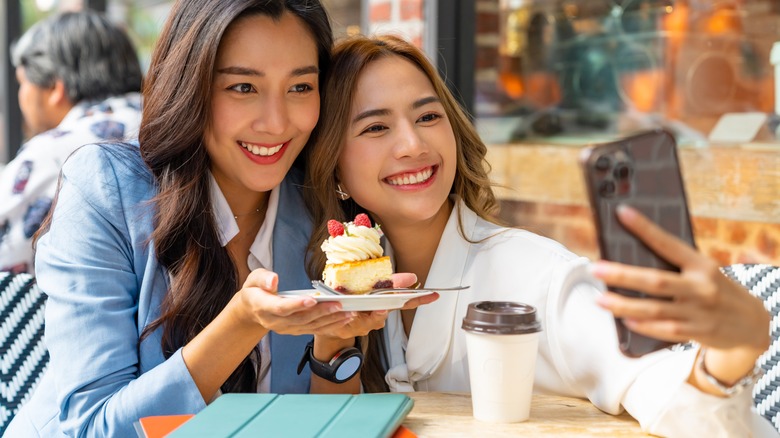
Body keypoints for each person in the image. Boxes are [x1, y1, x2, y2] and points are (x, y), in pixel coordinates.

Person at [304, 34, 776, 436]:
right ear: (336, 170)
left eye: (428, 116)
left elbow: (668, 396)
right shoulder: (363, 278)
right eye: (377, 127)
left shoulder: (539, 277)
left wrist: (734, 351)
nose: (413, 144)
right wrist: (332, 341)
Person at [5, 2, 435, 436]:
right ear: (190, 86)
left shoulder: (317, 207)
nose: (277, 122)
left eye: (301, 87)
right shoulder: (107, 190)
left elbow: (323, 424)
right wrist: (241, 324)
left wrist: (336, 340)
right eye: (243, 87)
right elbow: (95, 427)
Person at [0, 10, 143, 274]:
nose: (21, 95)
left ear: (55, 88)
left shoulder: (55, 151)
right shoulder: (169, 124)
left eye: (22, 82)